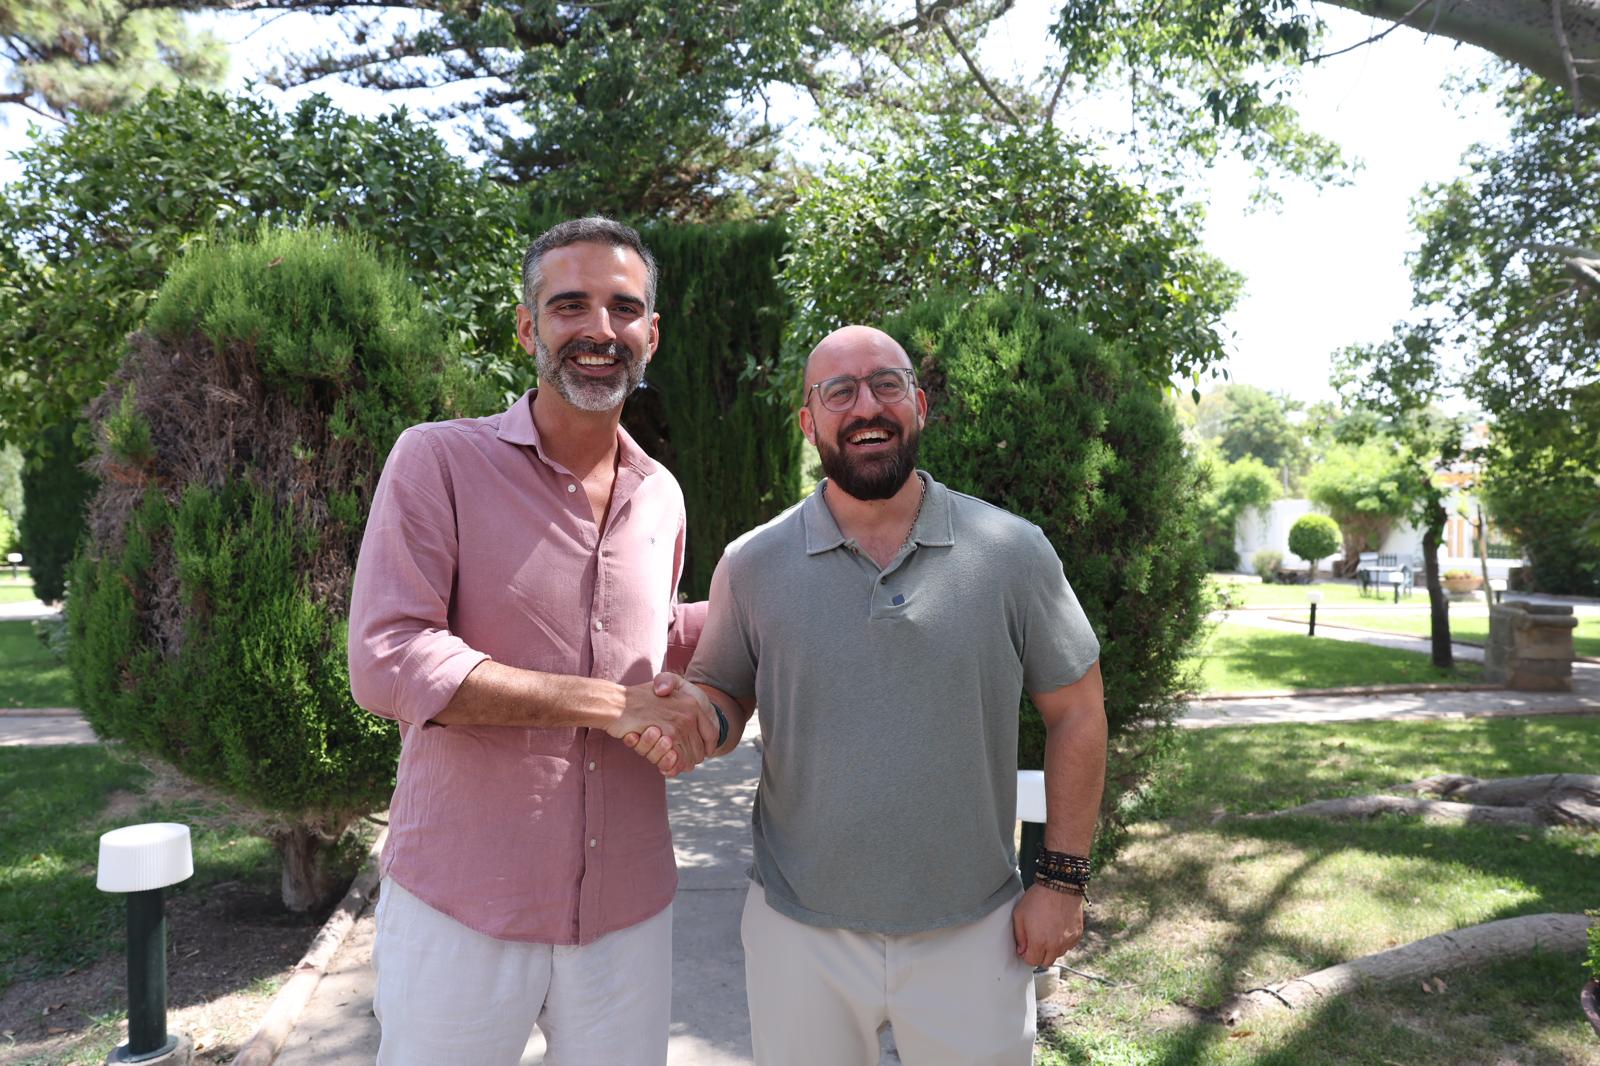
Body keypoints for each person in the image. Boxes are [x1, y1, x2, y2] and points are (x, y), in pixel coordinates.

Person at [347, 216, 721, 1066]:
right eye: (569, 307)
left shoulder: (662, 495)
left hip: (627, 910)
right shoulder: (437, 461)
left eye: (624, 309)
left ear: (651, 336)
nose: (600, 330)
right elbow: (388, 656)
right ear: (527, 329)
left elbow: (650, 637)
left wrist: (756, 607)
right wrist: (608, 706)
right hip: (463, 903)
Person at [686, 325, 1108, 1065]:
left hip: (976, 932)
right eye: (838, 391)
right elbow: (722, 697)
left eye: (886, 385)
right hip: (799, 935)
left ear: (917, 405)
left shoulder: (1011, 551)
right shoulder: (751, 563)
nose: (865, 407)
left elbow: (1077, 712)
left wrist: (1062, 881)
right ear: (808, 421)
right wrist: (689, 721)